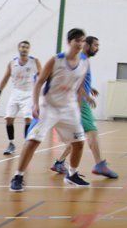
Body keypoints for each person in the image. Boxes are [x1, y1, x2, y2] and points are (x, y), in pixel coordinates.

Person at [10, 29, 93, 192]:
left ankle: (72, 174)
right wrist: (35, 104)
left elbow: (78, 86)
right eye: (77, 40)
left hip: (69, 107)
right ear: (69, 42)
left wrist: (80, 102)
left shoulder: (84, 63)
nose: (80, 43)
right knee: (33, 140)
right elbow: (39, 82)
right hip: (49, 106)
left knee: (79, 142)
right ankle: (18, 176)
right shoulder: (56, 60)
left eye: (82, 41)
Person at [50, 36, 118, 178]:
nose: (97, 48)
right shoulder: (81, 59)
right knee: (92, 131)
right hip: (78, 102)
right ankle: (99, 164)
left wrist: (89, 88)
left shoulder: (81, 59)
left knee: (77, 137)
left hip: (74, 101)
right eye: (95, 45)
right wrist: (85, 96)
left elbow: (76, 79)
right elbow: (74, 82)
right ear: (86, 45)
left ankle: (59, 163)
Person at [0, 41, 40, 156]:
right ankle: (11, 144)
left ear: (29, 50)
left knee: (28, 118)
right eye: (22, 47)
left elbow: (42, 75)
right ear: (18, 48)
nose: (24, 49)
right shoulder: (12, 63)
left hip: (29, 93)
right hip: (15, 93)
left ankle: (26, 144)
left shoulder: (34, 61)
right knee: (9, 118)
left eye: (26, 47)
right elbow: (5, 79)